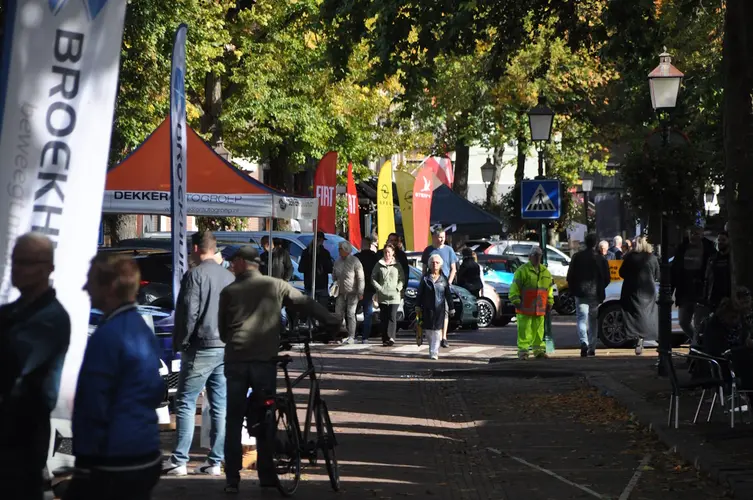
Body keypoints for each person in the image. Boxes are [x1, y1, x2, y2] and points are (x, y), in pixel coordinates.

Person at [218, 246, 337, 494]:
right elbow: (305, 303)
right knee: (266, 416)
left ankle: (232, 479)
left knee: (233, 419)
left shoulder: (229, 291)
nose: (230, 266)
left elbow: (222, 332)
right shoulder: (276, 285)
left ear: (242, 262)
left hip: (237, 362)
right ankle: (267, 475)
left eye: (233, 262)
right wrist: (333, 322)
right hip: (264, 362)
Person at [65, 254, 164, 499]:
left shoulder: (108, 336)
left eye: (91, 281)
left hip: (115, 458)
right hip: (144, 449)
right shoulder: (140, 327)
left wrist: (85, 462)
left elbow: (94, 404)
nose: (84, 287)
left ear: (109, 287)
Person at [0, 233, 70, 500]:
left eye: (27, 262)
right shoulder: (10, 312)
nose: (17, 268)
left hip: (21, 440)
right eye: (15, 261)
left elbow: (12, 368)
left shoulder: (51, 318)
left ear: (48, 268)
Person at [164, 231, 235, 476]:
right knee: (219, 404)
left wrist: (181, 342)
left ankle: (179, 460)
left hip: (201, 345)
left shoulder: (194, 275)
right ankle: (215, 461)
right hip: (224, 346)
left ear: (195, 249)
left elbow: (188, 313)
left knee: (185, 402)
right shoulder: (229, 276)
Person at [567, 233, 610, 357]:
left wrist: (574, 289)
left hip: (581, 292)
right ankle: (592, 346)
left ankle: (583, 342)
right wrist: (601, 287)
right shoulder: (601, 259)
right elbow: (607, 278)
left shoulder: (577, 257)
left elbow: (570, 276)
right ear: (596, 243)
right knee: (593, 320)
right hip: (595, 293)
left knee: (581, 318)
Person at [671, 225, 716, 343]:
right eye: (691, 233)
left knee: (699, 324)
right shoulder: (682, 248)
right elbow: (675, 269)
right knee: (683, 322)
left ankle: (696, 349)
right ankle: (697, 342)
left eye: (695, 233)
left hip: (701, 292)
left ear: (701, 234)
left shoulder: (708, 249)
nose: (692, 236)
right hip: (685, 291)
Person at [509, 247, 554, 360]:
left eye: (538, 255)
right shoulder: (522, 271)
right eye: (535, 255)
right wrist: (517, 302)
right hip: (525, 307)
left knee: (539, 331)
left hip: (538, 307)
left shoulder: (545, 272)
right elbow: (514, 289)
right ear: (530, 257)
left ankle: (538, 351)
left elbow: (549, 289)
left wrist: (550, 301)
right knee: (525, 331)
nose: (537, 257)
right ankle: (523, 352)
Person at [619, 237, 660, 355]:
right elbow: (657, 275)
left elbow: (622, 273)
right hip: (648, 290)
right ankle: (646, 337)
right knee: (648, 314)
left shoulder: (630, 257)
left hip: (632, 289)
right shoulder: (652, 258)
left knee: (633, 314)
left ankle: (637, 339)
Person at [420, 229, 459, 347]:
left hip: (443, 284)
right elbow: (424, 269)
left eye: (443, 237)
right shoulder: (428, 250)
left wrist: (449, 282)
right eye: (439, 237)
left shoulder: (449, 250)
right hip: (431, 284)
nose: (441, 239)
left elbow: (453, 268)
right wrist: (423, 282)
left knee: (445, 311)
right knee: (431, 310)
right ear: (434, 237)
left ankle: (444, 337)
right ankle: (431, 334)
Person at [416, 254, 455, 360]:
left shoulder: (444, 279)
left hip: (439, 309)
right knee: (429, 331)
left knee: (437, 330)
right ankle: (431, 347)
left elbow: (448, 294)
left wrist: (451, 308)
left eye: (437, 262)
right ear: (429, 264)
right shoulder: (425, 279)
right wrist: (417, 306)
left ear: (440, 265)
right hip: (427, 308)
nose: (435, 264)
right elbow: (419, 293)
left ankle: (434, 351)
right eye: (433, 262)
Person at [371, 244, 405, 347]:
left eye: (389, 252)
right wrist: (379, 288)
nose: (387, 254)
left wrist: (398, 288)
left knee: (392, 316)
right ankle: (385, 338)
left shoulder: (397, 265)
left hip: (394, 296)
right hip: (383, 296)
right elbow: (373, 278)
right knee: (384, 317)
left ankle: (391, 337)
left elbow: (402, 279)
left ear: (393, 253)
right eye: (385, 252)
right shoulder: (379, 264)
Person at [333, 241, 365, 344]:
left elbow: (360, 278)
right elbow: (334, 274)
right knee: (338, 314)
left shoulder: (355, 261)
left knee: (351, 313)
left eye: (340, 249)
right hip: (340, 292)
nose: (339, 251)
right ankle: (341, 334)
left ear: (346, 250)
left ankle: (352, 336)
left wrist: (360, 291)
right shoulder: (337, 261)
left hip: (353, 292)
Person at [356, 237, 379, 343]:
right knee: (368, 313)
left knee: (352, 313)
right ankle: (365, 337)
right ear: (370, 245)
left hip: (357, 289)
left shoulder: (356, 257)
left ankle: (354, 334)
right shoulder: (375, 258)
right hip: (370, 288)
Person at [299, 231, 334, 302]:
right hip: (321, 285)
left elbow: (301, 269)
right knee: (322, 309)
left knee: (309, 309)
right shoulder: (325, 253)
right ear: (322, 241)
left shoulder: (306, 252)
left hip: (309, 284)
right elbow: (330, 269)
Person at [704, 230, 732, 314]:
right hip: (714, 298)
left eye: (723, 240)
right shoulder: (712, 259)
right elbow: (707, 278)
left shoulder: (732, 259)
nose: (720, 242)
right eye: (719, 240)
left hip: (729, 297)